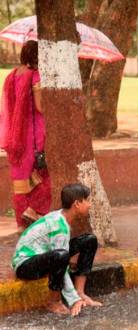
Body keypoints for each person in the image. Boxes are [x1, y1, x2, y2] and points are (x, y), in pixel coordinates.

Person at [12, 183, 102, 316]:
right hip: (25, 265)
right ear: (77, 204)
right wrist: (73, 301)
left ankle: (80, 292)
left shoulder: (62, 217)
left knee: (89, 240)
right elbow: (62, 263)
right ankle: (54, 301)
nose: (89, 204)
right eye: (87, 200)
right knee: (61, 256)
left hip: (44, 256)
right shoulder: (58, 226)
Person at [0, 40, 51, 233]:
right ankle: (33, 210)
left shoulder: (12, 75)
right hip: (33, 134)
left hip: (16, 135)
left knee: (21, 180)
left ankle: (22, 224)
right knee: (44, 175)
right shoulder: (35, 75)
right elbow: (40, 106)